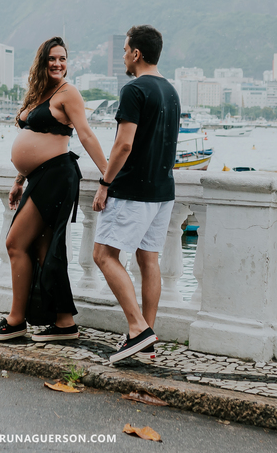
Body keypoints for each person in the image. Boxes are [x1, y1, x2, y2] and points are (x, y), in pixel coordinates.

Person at [0, 36, 109, 343]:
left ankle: (16, 320)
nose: (58, 63)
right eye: (52, 58)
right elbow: (30, 138)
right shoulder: (39, 92)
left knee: (15, 243)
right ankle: (64, 322)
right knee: (43, 249)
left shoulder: (69, 93)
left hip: (57, 176)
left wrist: (108, 177)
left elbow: (87, 136)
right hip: (38, 177)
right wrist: (18, 180)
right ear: (42, 61)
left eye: (63, 58)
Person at [92, 25, 180, 364]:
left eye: (125, 51)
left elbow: (124, 143)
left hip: (132, 191)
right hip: (162, 191)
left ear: (136, 53)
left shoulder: (134, 89)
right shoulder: (171, 91)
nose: (124, 57)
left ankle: (137, 329)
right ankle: (147, 337)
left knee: (103, 255)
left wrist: (105, 183)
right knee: (148, 260)